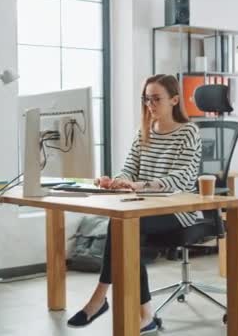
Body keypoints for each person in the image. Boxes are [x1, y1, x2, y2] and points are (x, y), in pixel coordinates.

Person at [67, 74, 202, 334]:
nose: (150, 104)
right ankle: (145, 315)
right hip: (142, 206)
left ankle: (99, 297)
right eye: (146, 99)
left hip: (178, 210)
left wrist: (142, 185)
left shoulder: (188, 132)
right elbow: (129, 168)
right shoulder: (144, 132)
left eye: (156, 99)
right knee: (123, 225)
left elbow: (182, 177)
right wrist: (117, 181)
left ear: (174, 100)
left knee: (127, 227)